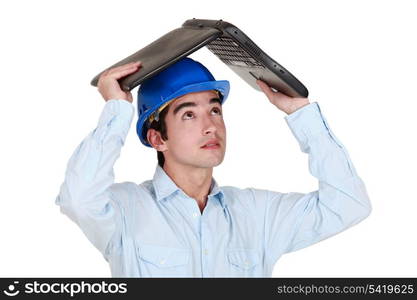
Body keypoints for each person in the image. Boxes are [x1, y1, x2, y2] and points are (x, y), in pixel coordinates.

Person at [55, 57, 371, 277]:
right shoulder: (125, 212)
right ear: (157, 138)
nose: (210, 126)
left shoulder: (258, 215)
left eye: (215, 110)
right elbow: (78, 198)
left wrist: (302, 114)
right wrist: (117, 112)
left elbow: (348, 205)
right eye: (189, 115)